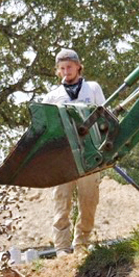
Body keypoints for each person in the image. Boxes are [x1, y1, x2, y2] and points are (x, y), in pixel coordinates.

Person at [43, 48, 105, 252]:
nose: (66, 71)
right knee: (61, 202)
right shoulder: (52, 97)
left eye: (69, 66)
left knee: (89, 201)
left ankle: (82, 243)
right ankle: (62, 247)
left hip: (89, 154)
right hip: (63, 157)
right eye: (62, 68)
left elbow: (104, 117)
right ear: (58, 71)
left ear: (78, 66)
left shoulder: (93, 89)